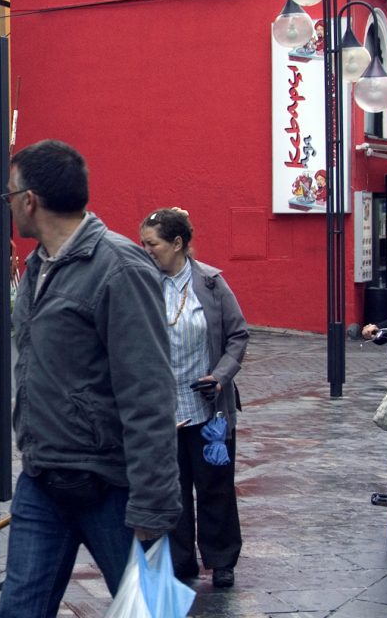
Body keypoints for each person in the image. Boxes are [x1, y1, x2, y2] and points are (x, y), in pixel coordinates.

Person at [0, 139, 180, 617]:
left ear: (29, 200)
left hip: (111, 488)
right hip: (42, 479)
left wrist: (153, 507)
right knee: (18, 611)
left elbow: (150, 393)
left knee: (150, 613)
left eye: (9, 193)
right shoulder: (37, 266)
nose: (9, 203)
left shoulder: (119, 268)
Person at [139, 207, 248, 589]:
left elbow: (238, 336)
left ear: (178, 243)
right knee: (173, 490)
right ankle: (180, 561)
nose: (146, 250)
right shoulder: (143, 284)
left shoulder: (212, 283)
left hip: (208, 409)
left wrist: (219, 378)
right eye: (143, 243)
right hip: (161, 412)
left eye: (152, 243)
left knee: (215, 486)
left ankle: (221, 561)